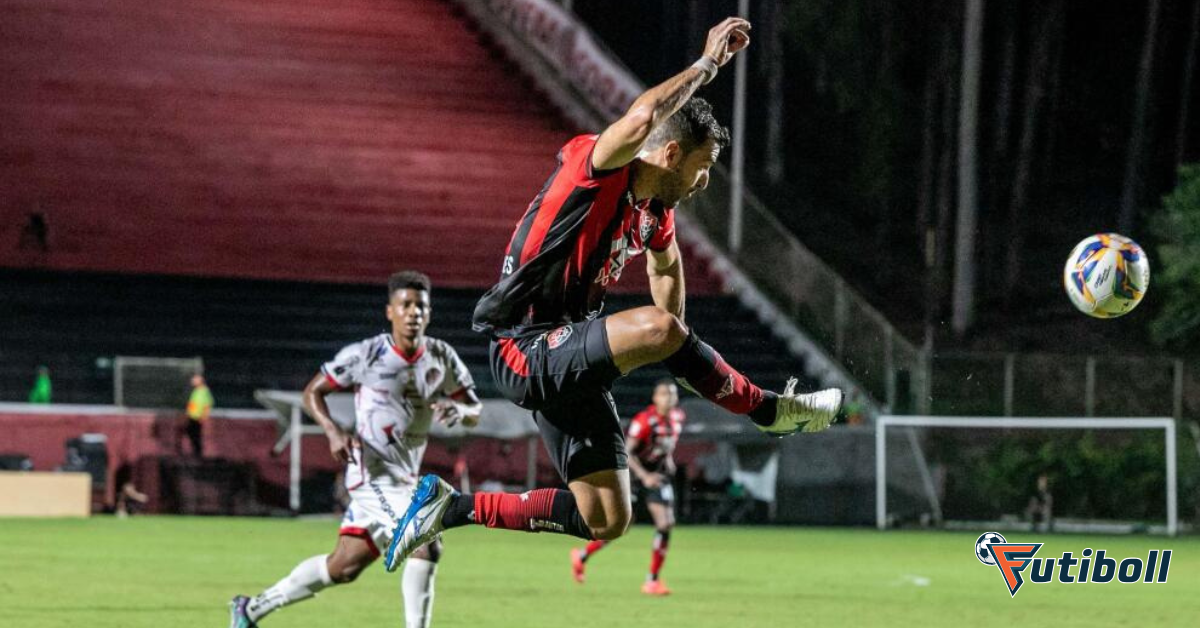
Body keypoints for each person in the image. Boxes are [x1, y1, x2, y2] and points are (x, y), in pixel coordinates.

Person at [384, 17, 842, 572]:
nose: (705, 182)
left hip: (567, 352)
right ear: (671, 155)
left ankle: (449, 507)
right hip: (522, 348)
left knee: (606, 516)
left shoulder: (654, 211)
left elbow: (667, 266)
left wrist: (674, 347)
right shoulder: (595, 169)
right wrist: (709, 65)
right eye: (704, 167)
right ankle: (769, 410)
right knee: (658, 329)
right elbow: (646, 115)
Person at [229, 270, 482, 628]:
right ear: (389, 311)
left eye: (420, 306)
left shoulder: (441, 357)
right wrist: (332, 432)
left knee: (343, 567)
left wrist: (461, 411)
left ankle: (250, 608)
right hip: (371, 473)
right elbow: (313, 391)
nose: (413, 313)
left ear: (429, 313)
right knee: (427, 539)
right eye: (405, 305)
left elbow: (474, 408)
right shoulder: (367, 354)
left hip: (405, 478)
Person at [571, 380, 685, 595]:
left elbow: (665, 445)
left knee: (666, 523)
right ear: (655, 398)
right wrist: (644, 475)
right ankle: (582, 556)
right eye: (664, 394)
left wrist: (667, 459)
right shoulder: (644, 421)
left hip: (657, 476)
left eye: (672, 395)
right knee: (620, 526)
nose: (669, 399)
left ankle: (652, 581)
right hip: (633, 476)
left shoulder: (678, 418)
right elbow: (628, 451)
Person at [184, 374, 213, 456]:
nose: (193, 382)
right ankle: (195, 451)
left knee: (196, 434)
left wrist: (204, 417)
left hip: (198, 417)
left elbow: (207, 405)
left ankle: (198, 452)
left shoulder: (204, 391)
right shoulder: (196, 390)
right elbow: (193, 403)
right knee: (191, 433)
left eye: (195, 380)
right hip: (192, 416)